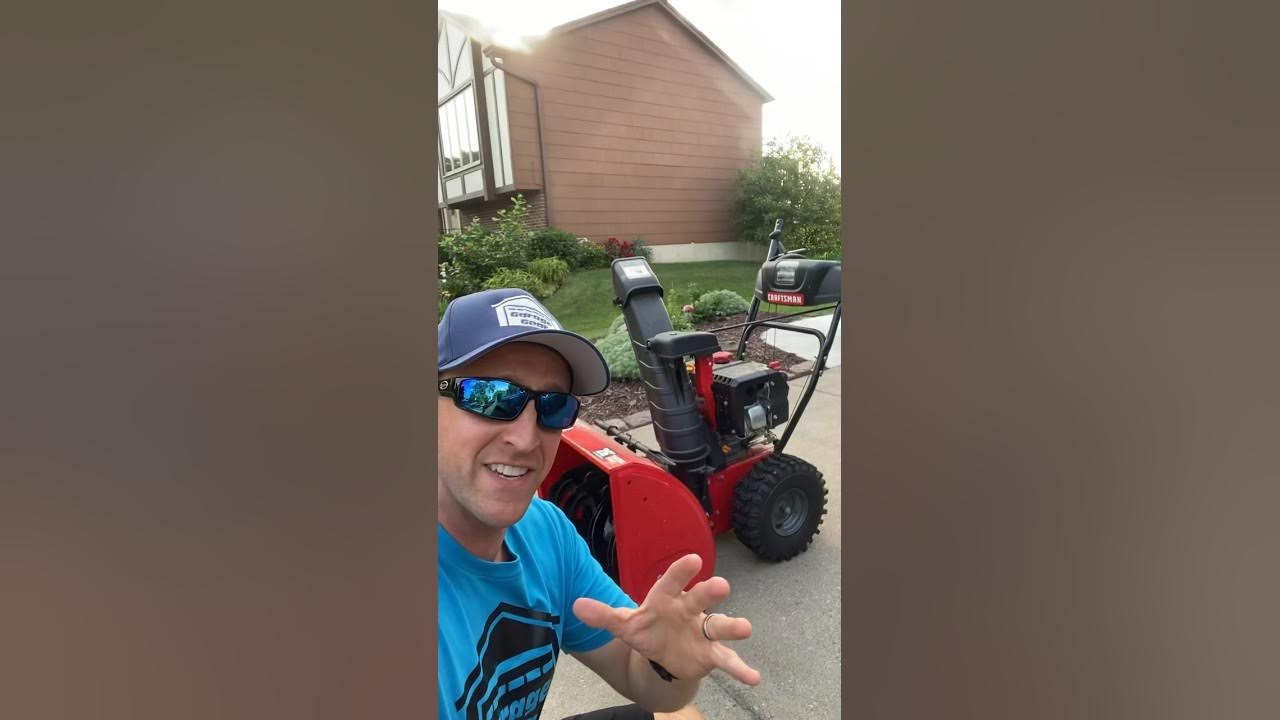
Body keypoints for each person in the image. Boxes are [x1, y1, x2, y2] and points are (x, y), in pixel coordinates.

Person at [438, 288, 761, 720]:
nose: (526, 438)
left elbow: (636, 672)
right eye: (491, 396)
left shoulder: (546, 531)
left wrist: (670, 666)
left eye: (553, 406)